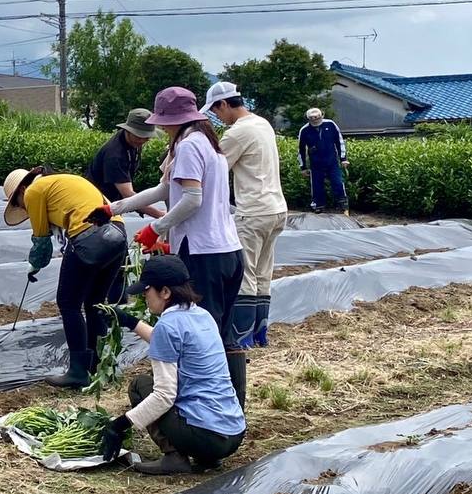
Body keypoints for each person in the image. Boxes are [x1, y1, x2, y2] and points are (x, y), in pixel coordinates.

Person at [105, 87, 248, 406]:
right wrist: (114, 208)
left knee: (203, 336)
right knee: (220, 332)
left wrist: (155, 229)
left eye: (164, 122)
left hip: (203, 254)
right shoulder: (207, 143)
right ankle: (231, 406)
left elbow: (192, 200)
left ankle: (214, 408)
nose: (161, 129)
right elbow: (165, 189)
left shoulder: (188, 145)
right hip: (228, 251)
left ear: (174, 120)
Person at [98, 255, 246, 475]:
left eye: (147, 291)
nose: (145, 297)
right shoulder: (202, 315)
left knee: (140, 385)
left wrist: (119, 425)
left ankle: (174, 457)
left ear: (165, 292)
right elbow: (163, 338)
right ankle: (208, 459)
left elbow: (164, 395)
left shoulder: (168, 325)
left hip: (206, 437)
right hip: (233, 434)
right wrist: (127, 320)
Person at [3, 167, 128, 388]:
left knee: (69, 303)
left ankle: (78, 371)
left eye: (19, 203)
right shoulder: (62, 182)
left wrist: (34, 265)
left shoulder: (34, 191)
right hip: (117, 235)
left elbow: (41, 241)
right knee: (94, 303)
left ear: (22, 189)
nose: (24, 208)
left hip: (90, 235)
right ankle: (98, 366)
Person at [202, 82, 287, 349]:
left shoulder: (237, 133)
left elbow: (213, 168)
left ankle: (241, 338)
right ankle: (261, 333)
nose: (218, 117)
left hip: (253, 211)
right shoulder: (263, 123)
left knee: (246, 275)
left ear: (224, 104)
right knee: (263, 272)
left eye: (217, 111)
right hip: (276, 208)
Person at [85, 108, 165, 220]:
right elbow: (128, 195)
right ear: (128, 130)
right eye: (138, 136)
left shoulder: (132, 143)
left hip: (115, 204)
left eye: (146, 137)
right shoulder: (115, 155)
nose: (142, 140)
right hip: (98, 207)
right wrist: (160, 215)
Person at [298, 107, 349, 212]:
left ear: (322, 115)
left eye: (317, 117)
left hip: (332, 161)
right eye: (312, 118)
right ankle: (318, 205)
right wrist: (303, 167)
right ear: (308, 119)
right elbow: (301, 150)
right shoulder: (304, 130)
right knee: (317, 186)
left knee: (338, 182)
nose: (315, 119)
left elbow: (339, 141)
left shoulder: (330, 124)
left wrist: (343, 158)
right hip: (316, 163)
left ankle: (342, 203)